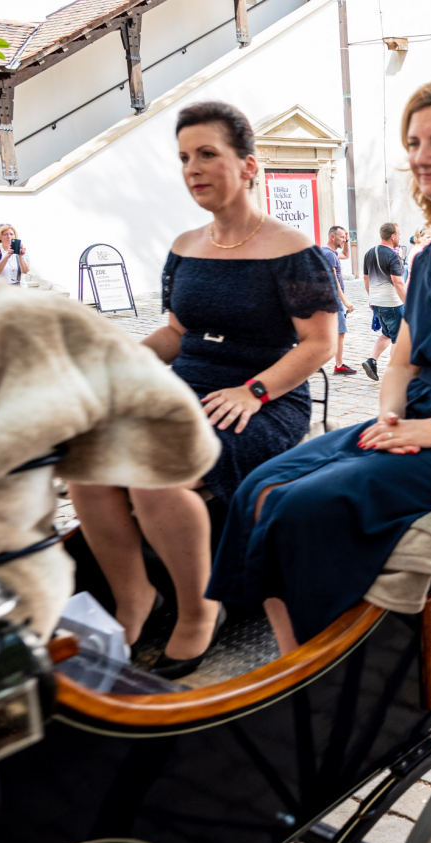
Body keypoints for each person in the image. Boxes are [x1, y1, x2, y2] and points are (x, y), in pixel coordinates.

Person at [209, 80, 431, 655]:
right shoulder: (429, 258)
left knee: (303, 507)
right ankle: (293, 662)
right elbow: (400, 362)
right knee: (260, 485)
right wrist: (392, 416)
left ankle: (322, 669)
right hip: (420, 418)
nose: (422, 156)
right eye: (414, 143)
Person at [69, 101, 338, 677]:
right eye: (185, 157)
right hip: (185, 391)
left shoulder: (293, 250)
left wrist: (254, 391)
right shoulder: (185, 246)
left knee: (155, 473)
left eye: (207, 154)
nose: (193, 168)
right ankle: (135, 597)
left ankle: (200, 610)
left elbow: (320, 344)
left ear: (248, 165)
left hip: (264, 402)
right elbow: (176, 333)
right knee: (85, 464)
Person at [361, 223, 408, 381]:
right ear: (392, 236)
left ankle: (371, 361)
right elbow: (398, 283)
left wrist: (371, 297)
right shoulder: (393, 256)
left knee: (387, 334)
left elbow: (366, 279)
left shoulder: (369, 253)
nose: (400, 237)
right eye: (399, 234)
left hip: (376, 302)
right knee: (398, 338)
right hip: (392, 303)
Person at [322, 225, 357, 376]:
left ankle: (319, 362)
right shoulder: (329, 255)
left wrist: (347, 239)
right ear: (332, 237)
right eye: (341, 237)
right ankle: (339, 365)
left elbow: (346, 255)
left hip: (328, 299)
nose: (343, 240)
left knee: (329, 333)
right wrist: (345, 302)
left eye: (344, 237)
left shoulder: (328, 252)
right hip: (334, 300)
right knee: (340, 332)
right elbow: (333, 280)